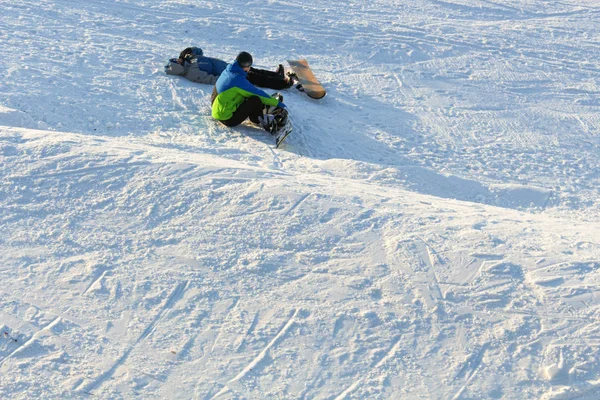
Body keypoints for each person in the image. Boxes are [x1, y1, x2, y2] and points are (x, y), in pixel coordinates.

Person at [211, 51, 288, 133]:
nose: (250, 68)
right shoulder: (237, 80)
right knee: (255, 100)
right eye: (249, 66)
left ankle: (260, 109)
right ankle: (258, 120)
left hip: (218, 109)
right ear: (245, 66)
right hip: (227, 118)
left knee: (246, 95)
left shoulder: (229, 70)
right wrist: (278, 104)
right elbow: (257, 93)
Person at [165, 47, 294, 90]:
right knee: (255, 78)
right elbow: (209, 79)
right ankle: (283, 84)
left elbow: (199, 50)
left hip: (228, 65)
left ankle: (277, 74)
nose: (178, 60)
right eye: (177, 62)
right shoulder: (191, 72)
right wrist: (226, 79)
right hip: (229, 73)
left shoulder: (191, 58)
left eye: (176, 59)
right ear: (179, 67)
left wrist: (187, 51)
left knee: (253, 70)